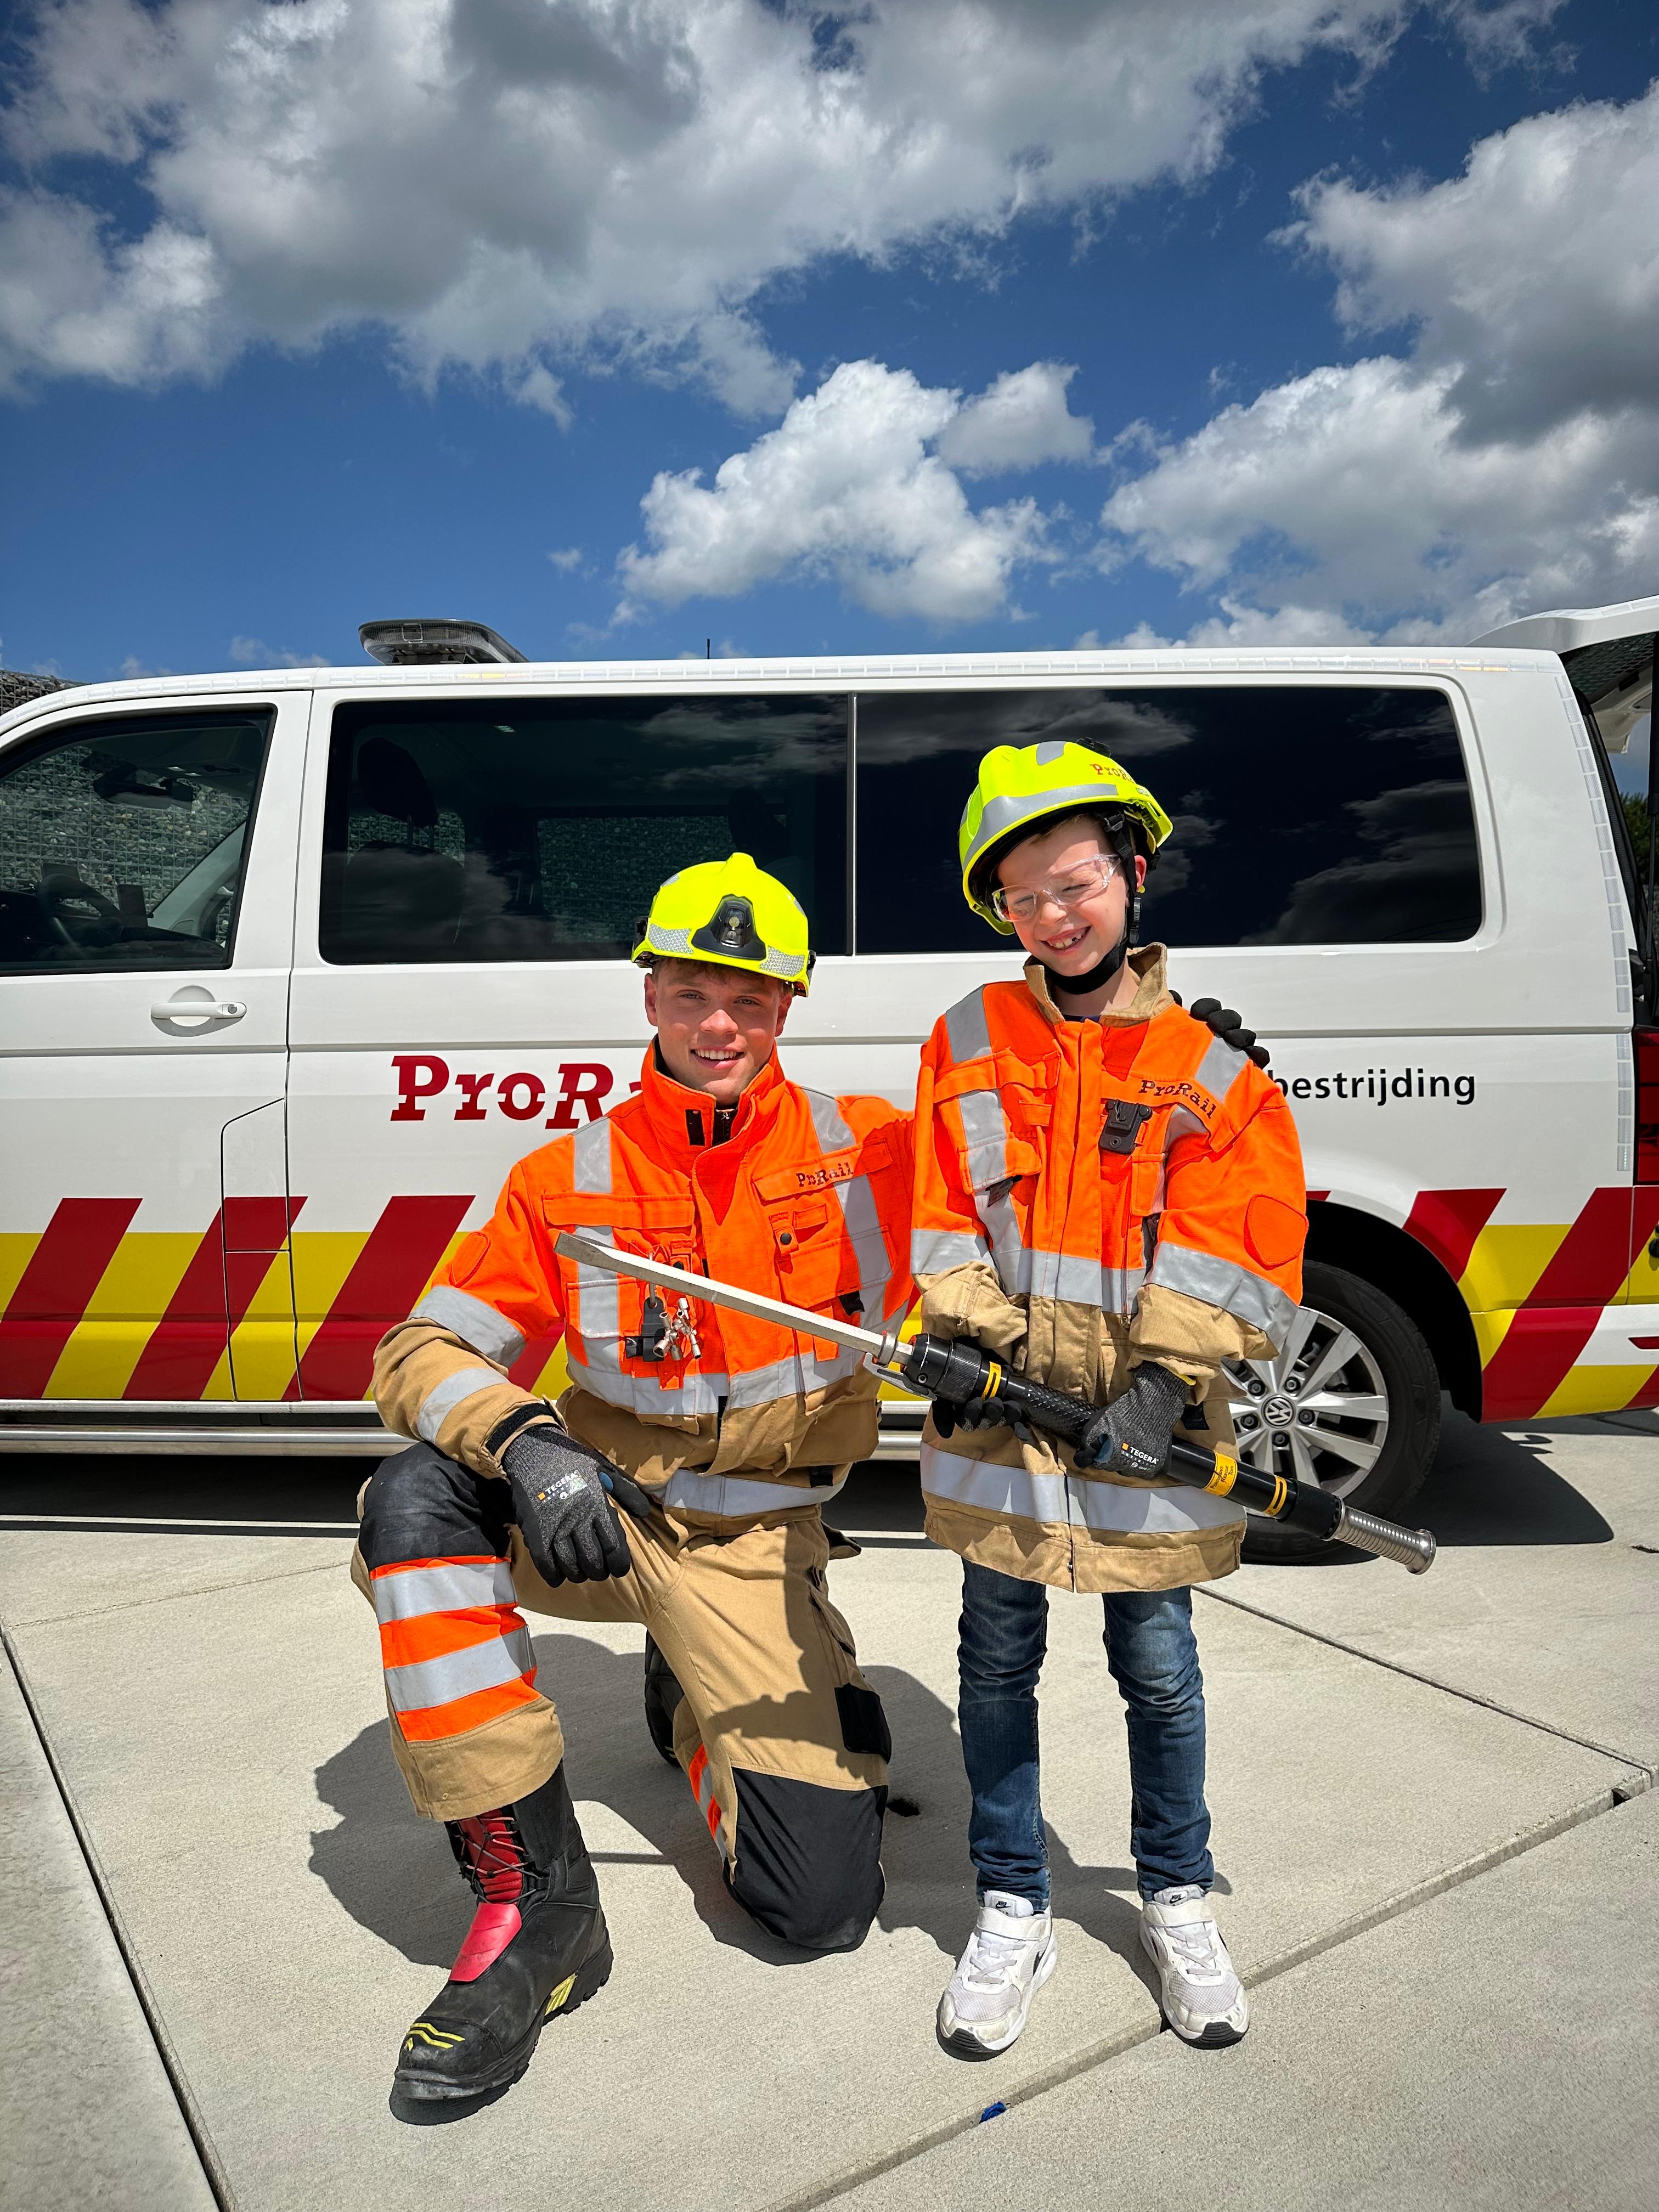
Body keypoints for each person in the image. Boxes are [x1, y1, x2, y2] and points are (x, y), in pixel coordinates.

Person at [355, 854, 913, 2103]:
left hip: (755, 1544)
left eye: (751, 999)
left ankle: (691, 1709)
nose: (720, 1025)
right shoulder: (564, 1179)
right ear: (649, 994)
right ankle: (538, 1904)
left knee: (821, 1907)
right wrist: (529, 1444)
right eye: (693, 993)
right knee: (413, 1499)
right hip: (597, 1516)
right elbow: (418, 1350)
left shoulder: (875, 1151)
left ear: (788, 1006)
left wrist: (1159, 1076)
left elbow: (1036, 1203)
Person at [909, 742, 1306, 2058]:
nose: (1053, 915)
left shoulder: (1212, 1067)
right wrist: (974, 1343)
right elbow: (938, 1211)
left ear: (1134, 873)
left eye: (1075, 882)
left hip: (1149, 1433)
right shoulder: (967, 1037)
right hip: (1006, 1426)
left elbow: (1241, 1241)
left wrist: (1160, 1384)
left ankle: (1177, 1899)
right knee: (995, 1665)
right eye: (1022, 897)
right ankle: (1011, 1903)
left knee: (1160, 1671)